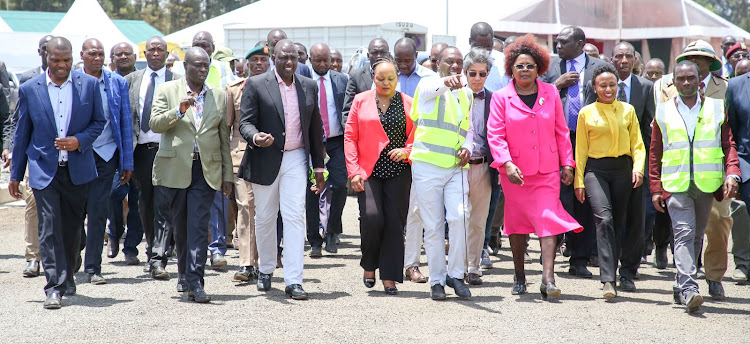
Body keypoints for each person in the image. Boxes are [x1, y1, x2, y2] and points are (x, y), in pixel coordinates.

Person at [9, 37, 106, 309]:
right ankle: (53, 285)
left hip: (77, 168)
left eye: (66, 60)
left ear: (73, 58)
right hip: (43, 168)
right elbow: (22, 133)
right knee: (49, 226)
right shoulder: (30, 89)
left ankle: (69, 272)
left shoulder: (88, 85)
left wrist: (80, 140)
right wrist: (16, 174)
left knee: (73, 228)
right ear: (46, 58)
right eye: (56, 60)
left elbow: (99, 121)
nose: (62, 65)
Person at [488, 34, 582, 300]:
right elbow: (495, 134)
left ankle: (548, 278)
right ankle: (519, 275)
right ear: (511, 69)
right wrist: (505, 163)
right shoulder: (501, 98)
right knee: (517, 225)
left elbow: (561, 131)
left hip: (547, 170)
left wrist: (568, 163)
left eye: (530, 65)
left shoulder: (550, 92)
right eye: (520, 66)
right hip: (515, 173)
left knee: (547, 220)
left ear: (538, 67)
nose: (525, 70)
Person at [238, 39, 326, 300]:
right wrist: (255, 137)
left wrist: (319, 167)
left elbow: (315, 129)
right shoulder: (255, 84)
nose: (289, 62)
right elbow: (245, 123)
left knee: (294, 217)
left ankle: (294, 280)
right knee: (265, 217)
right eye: (283, 57)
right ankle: (265, 269)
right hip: (265, 157)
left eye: (293, 58)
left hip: (296, 158)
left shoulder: (308, 86)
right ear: (272, 57)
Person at [649, 60, 739, 313]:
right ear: (674, 82)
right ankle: (690, 287)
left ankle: (681, 282)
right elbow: (654, 151)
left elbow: (728, 145)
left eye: (691, 78)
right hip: (675, 183)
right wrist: (655, 186)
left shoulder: (717, 108)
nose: (686, 82)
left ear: (699, 80)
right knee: (684, 233)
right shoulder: (663, 111)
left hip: (706, 183)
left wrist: (732, 172)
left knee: (696, 235)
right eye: (681, 79)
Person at [149, 47, 232, 303]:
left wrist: (227, 175)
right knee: (181, 227)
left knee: (198, 226)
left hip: (205, 170)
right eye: (197, 65)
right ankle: (184, 276)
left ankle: (196, 282)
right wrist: (179, 110)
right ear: (185, 66)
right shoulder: (167, 90)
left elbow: (223, 139)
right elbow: (154, 124)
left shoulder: (218, 96)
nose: (202, 70)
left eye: (206, 66)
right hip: (175, 169)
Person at [540, 26, 607, 278]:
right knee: (557, 196)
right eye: (556, 42)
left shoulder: (598, 67)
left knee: (585, 198)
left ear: (580, 44)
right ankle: (550, 250)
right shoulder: (550, 67)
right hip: (557, 139)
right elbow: (535, 98)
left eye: (563, 42)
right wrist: (555, 85)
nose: (558, 47)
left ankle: (579, 258)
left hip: (589, 140)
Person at [345, 57, 415, 295]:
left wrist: (407, 151)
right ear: (373, 78)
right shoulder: (360, 101)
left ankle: (389, 276)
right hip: (368, 171)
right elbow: (350, 137)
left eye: (391, 78)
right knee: (372, 218)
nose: (385, 83)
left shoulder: (408, 102)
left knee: (395, 224)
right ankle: (369, 264)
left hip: (398, 171)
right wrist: (353, 171)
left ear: (398, 79)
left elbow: (418, 135)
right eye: (380, 78)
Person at [575, 63, 646, 298]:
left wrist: (638, 169)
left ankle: (626, 272)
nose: (608, 89)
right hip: (596, 171)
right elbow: (581, 150)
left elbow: (638, 144)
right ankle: (608, 279)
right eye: (602, 85)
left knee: (623, 221)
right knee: (604, 218)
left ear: (618, 86)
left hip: (624, 170)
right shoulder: (586, 113)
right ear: (595, 87)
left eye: (612, 85)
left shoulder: (628, 110)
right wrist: (579, 181)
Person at [410, 46, 473, 301]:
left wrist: (468, 147)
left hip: (456, 168)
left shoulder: (466, 93)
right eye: (450, 62)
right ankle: (437, 280)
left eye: (459, 62)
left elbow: (469, 129)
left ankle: (456, 275)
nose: (456, 65)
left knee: (460, 217)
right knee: (434, 226)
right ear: (438, 64)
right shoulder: (427, 84)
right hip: (427, 166)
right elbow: (433, 89)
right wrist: (446, 82)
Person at [79, 38, 134, 285]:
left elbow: (124, 123)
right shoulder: (72, 81)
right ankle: (74, 251)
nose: (98, 58)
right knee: (74, 210)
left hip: (107, 154)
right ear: (82, 55)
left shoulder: (117, 83)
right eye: (93, 53)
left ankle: (93, 267)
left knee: (99, 210)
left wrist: (127, 162)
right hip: (78, 153)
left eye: (101, 53)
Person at [124, 36, 181, 277]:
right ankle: (152, 249)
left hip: (169, 150)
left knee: (165, 203)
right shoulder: (131, 81)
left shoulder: (178, 81)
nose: (156, 53)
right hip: (142, 152)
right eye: (152, 50)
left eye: (161, 50)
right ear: (144, 54)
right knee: (146, 202)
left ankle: (161, 254)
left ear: (167, 54)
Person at [599, 41, 655, 284]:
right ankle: (609, 268)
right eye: (619, 56)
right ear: (612, 60)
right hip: (606, 164)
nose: (623, 61)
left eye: (628, 57)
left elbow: (651, 129)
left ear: (635, 61)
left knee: (636, 219)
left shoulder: (645, 87)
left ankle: (629, 271)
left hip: (636, 164)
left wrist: (647, 165)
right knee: (610, 218)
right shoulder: (602, 85)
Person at [2, 34, 54, 278]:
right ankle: (33, 257)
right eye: (46, 49)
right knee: (32, 203)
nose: (49, 53)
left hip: (67, 155)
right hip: (36, 155)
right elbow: (18, 121)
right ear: (40, 51)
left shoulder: (75, 81)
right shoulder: (28, 80)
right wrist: (13, 150)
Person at [392, 37, 435, 279]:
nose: (403, 65)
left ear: (416, 56)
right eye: (399, 60)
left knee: (417, 210)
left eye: (408, 60)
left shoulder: (429, 79)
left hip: (421, 151)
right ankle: (393, 258)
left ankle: (412, 264)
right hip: (394, 154)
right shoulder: (390, 77)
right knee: (397, 210)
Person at [227, 45, 270, 282]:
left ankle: (266, 260)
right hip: (241, 158)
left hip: (270, 157)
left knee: (267, 211)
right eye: (254, 60)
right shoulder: (233, 91)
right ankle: (246, 264)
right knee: (245, 208)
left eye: (263, 59)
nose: (258, 64)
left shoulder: (278, 88)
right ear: (246, 64)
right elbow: (227, 128)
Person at [306, 43, 349, 256]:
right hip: (311, 143)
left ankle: (332, 231)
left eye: (326, 60)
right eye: (318, 60)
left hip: (337, 141)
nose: (323, 64)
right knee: (312, 190)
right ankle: (314, 240)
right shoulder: (303, 80)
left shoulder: (342, 79)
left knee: (340, 186)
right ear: (310, 60)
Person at [462, 47, 496, 285]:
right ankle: (457, 266)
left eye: (481, 74)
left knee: (478, 219)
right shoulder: (451, 96)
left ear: (488, 74)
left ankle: (473, 266)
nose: (476, 78)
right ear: (465, 73)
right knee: (457, 217)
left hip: (484, 167)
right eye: (472, 73)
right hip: (456, 167)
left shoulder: (495, 99)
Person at [725, 61, 750, 283]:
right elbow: (731, 128)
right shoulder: (735, 86)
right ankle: (743, 263)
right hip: (746, 160)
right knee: (741, 210)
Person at [343, 38, 390, 122]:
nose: (379, 56)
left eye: (382, 52)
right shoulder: (356, 76)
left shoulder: (397, 76)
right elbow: (348, 110)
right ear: (368, 56)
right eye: (374, 53)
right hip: (364, 130)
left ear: (389, 55)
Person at [469, 22, 509, 92]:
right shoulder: (460, 61)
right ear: (470, 41)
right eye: (479, 47)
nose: (484, 51)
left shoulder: (504, 62)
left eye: (488, 46)